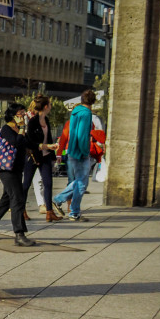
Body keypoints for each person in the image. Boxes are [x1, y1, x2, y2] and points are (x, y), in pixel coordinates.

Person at [53, 88, 101, 220]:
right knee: (81, 183)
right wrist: (85, 151)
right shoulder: (86, 114)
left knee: (79, 181)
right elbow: (81, 134)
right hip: (80, 152)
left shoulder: (75, 111)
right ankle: (73, 211)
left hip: (72, 150)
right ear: (93, 101)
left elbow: (72, 132)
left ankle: (60, 200)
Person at [0, 104, 37, 247]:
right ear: (13, 115)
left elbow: (29, 143)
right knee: (17, 199)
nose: (23, 116)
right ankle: (19, 234)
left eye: (24, 113)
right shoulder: (6, 129)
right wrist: (22, 129)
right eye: (20, 114)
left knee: (7, 199)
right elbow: (16, 143)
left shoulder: (20, 129)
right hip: (7, 169)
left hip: (17, 169)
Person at [23, 96, 60, 222]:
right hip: (33, 156)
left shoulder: (46, 120)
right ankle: (21, 210)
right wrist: (46, 146)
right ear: (45, 107)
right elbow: (30, 142)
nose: (50, 106)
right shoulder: (33, 122)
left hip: (46, 155)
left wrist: (52, 154)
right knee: (26, 184)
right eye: (49, 104)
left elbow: (48, 137)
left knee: (48, 183)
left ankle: (49, 212)